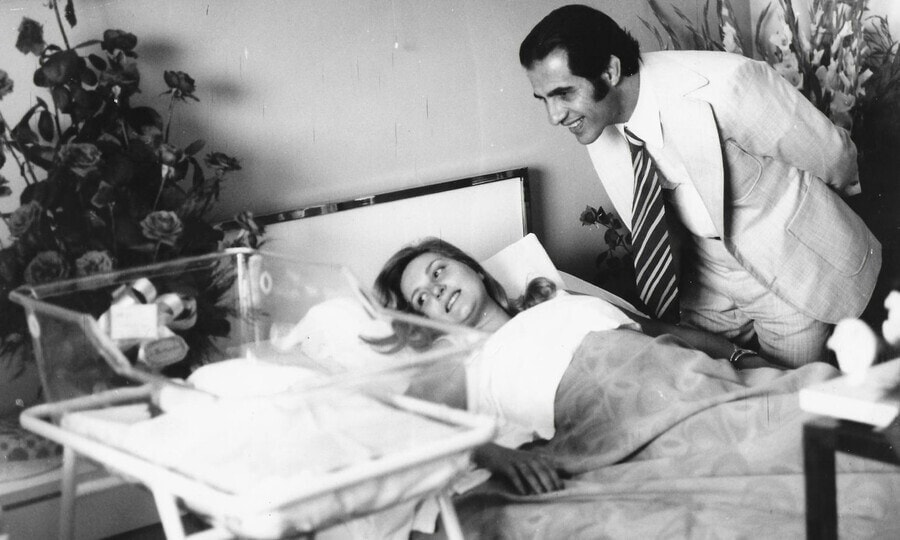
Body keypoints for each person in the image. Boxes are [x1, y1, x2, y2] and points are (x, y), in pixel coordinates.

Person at [518, 4, 882, 368]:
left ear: (610, 72)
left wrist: (832, 225)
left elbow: (834, 156)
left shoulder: (727, 85)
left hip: (786, 272)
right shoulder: (595, 122)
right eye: (544, 99)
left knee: (786, 393)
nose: (554, 116)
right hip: (704, 281)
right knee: (705, 384)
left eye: (564, 93)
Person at [373, 236, 781, 496]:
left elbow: (659, 330)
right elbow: (410, 419)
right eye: (422, 299)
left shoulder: (555, 298)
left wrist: (741, 356)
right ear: (426, 322)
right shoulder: (462, 363)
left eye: (438, 271)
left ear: (474, 269)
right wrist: (492, 454)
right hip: (609, 426)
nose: (436, 289)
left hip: (684, 377)